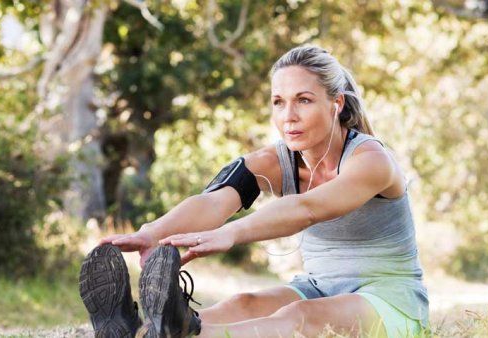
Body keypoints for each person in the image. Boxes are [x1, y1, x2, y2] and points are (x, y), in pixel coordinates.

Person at [79, 45, 430, 338]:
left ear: (336, 103)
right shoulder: (273, 161)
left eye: (303, 100)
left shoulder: (372, 160)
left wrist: (230, 233)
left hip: (389, 299)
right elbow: (214, 201)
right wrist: (151, 233)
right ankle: (137, 331)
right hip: (318, 285)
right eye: (278, 102)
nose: (288, 116)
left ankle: (179, 332)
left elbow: (307, 208)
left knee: (299, 317)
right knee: (241, 304)